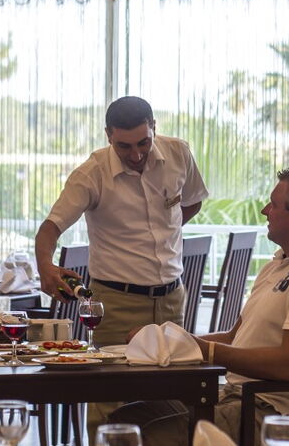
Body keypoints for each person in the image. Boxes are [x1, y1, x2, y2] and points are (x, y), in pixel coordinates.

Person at [112, 167, 289, 444]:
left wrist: (205, 350)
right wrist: (170, 341)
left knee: (151, 435)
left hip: (273, 415)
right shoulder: (278, 265)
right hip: (234, 398)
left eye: (272, 204)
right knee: (125, 421)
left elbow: (288, 365)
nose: (265, 210)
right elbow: (234, 337)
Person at [34, 96, 209, 345]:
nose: (136, 155)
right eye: (124, 146)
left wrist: (162, 232)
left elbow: (193, 201)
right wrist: (45, 266)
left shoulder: (178, 153)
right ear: (108, 135)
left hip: (172, 299)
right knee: (115, 371)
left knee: (172, 371)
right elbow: (50, 228)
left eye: (143, 143)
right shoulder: (91, 174)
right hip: (115, 303)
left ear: (154, 127)